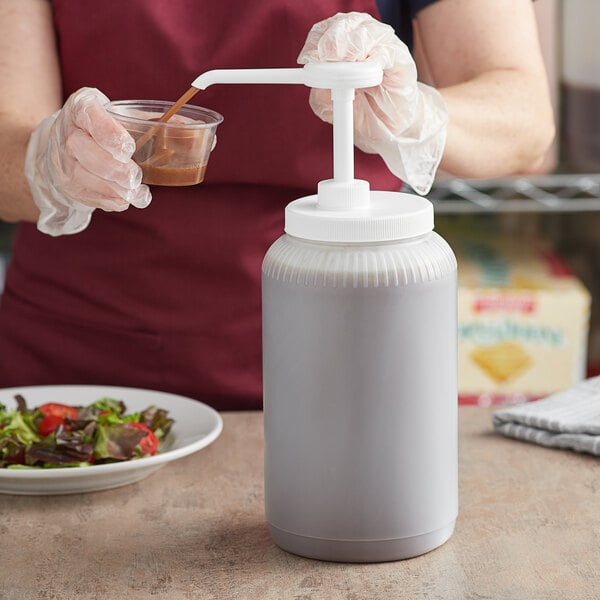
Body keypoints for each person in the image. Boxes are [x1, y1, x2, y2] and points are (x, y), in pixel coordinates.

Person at [0, 0, 554, 411]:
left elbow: (525, 121)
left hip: (345, 349)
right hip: (81, 364)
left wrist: (414, 115)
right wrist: (47, 160)